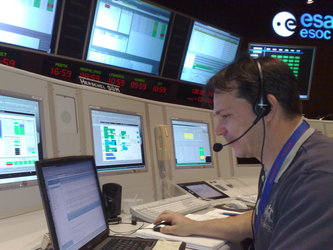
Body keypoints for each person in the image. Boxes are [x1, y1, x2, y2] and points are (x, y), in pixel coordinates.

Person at [153, 56, 333, 249]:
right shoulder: (282, 162)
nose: (219, 130)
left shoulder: (316, 178)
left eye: (226, 116)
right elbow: (259, 221)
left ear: (267, 109)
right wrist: (194, 226)